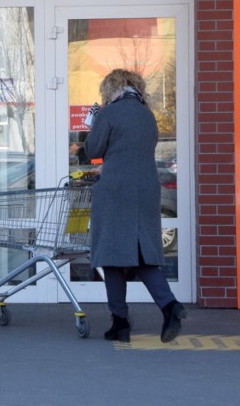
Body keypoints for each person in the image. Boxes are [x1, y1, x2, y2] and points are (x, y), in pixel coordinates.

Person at [84, 69, 186, 343]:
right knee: (140, 254)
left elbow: (93, 150)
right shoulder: (147, 115)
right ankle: (153, 311)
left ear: (110, 88)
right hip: (146, 189)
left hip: (116, 191)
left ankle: (128, 318)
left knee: (111, 255)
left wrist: (93, 123)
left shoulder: (108, 113)